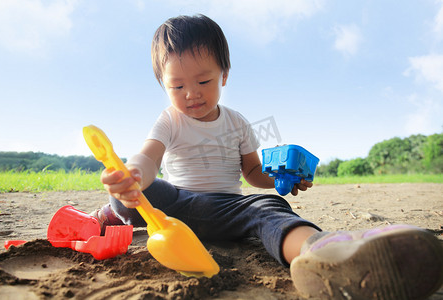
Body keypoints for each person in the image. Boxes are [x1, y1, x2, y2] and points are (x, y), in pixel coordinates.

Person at [92, 14, 443, 299]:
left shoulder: (237, 123)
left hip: (227, 210)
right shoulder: (169, 119)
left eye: (203, 80)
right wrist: (132, 174)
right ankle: (116, 210)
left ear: (224, 75)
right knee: (136, 191)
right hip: (176, 206)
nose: (191, 94)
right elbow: (149, 158)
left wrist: (279, 180)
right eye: (177, 86)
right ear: (163, 85)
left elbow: (252, 173)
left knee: (269, 208)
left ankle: (322, 253)